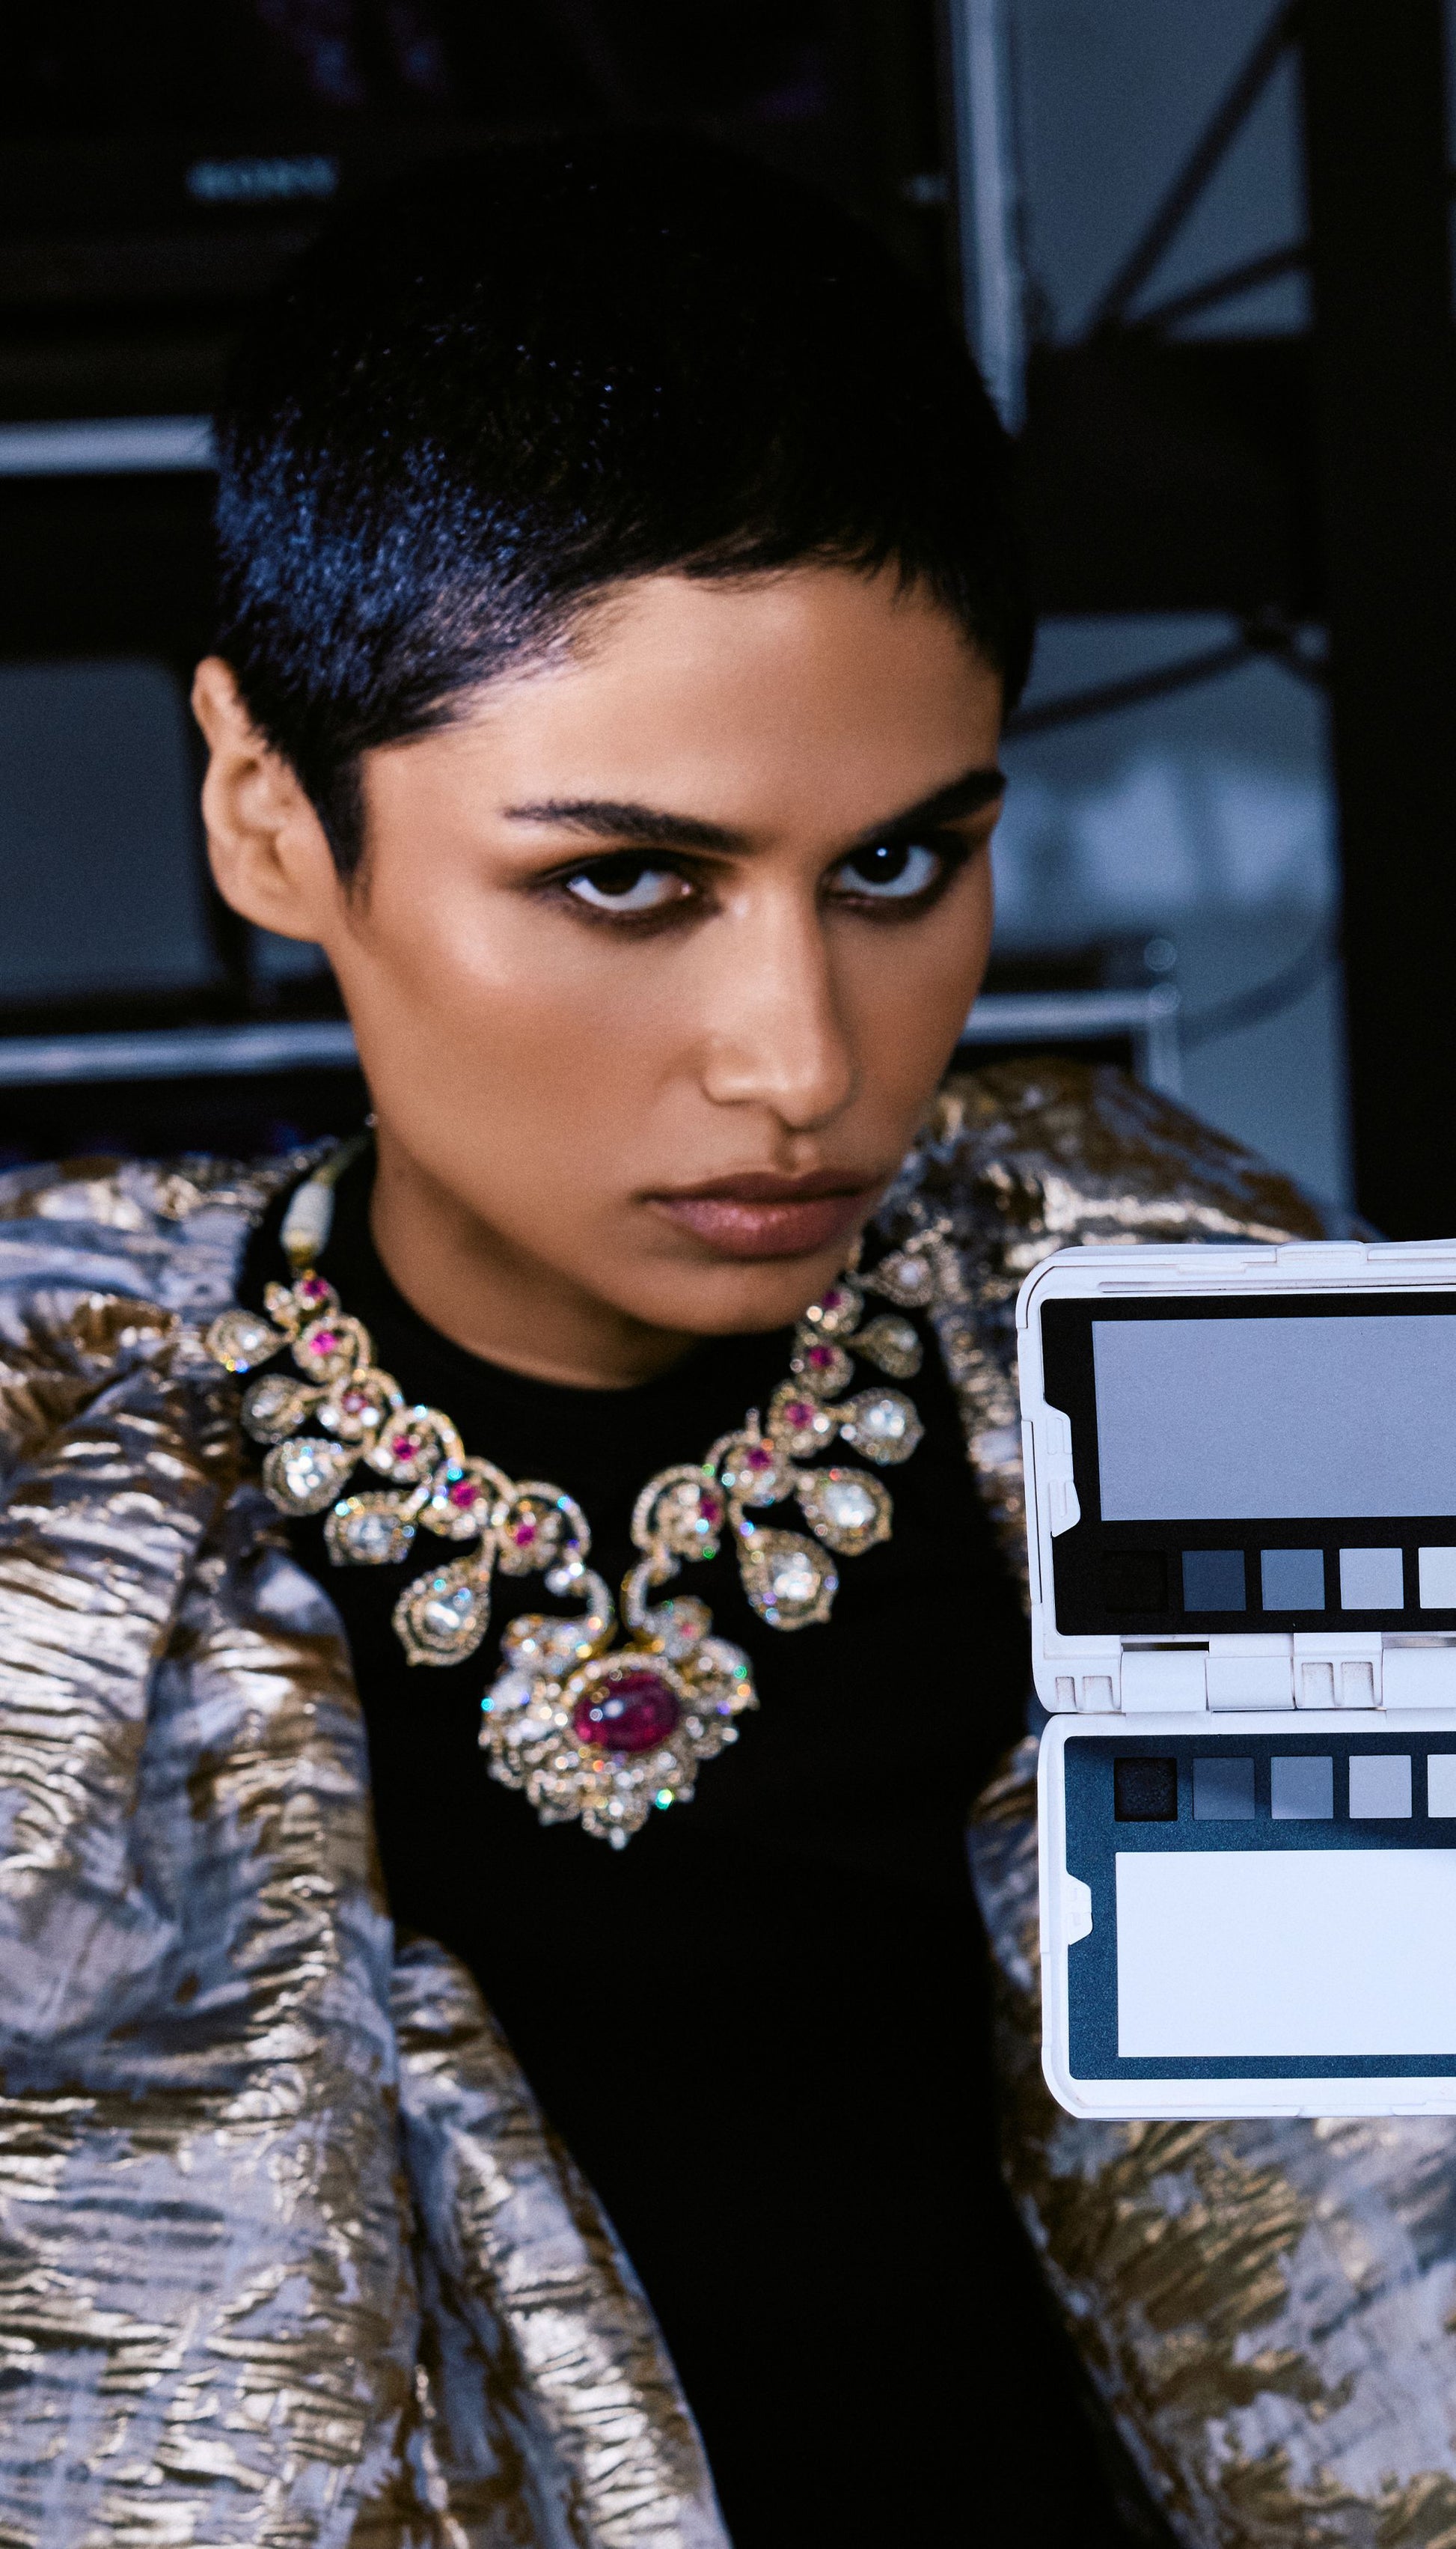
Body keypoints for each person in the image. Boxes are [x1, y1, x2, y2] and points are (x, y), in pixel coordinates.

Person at [0, 137, 1362, 2547]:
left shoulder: (1209, 1359)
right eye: (624, 879)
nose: (799, 1061)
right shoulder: (48, 1494)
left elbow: (1384, 2309)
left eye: (897, 864)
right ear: (265, 810)